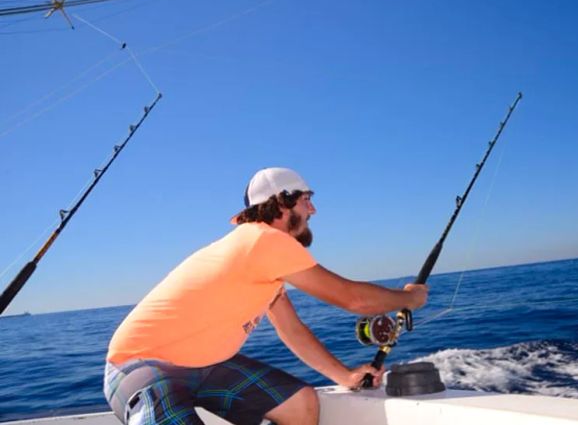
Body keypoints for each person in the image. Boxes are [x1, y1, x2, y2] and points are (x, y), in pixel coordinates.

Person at [103, 167, 428, 425]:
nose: (313, 208)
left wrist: (344, 375)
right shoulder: (265, 241)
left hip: (206, 366)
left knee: (301, 405)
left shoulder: (261, 257)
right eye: (306, 199)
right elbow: (352, 299)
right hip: (141, 367)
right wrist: (408, 298)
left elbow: (291, 330)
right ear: (283, 202)